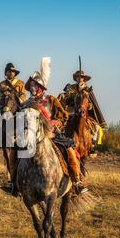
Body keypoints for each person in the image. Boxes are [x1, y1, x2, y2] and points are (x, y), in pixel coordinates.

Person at [24, 57, 88, 195]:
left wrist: (54, 123)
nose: (32, 88)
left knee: (69, 148)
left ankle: (76, 181)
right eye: (31, 85)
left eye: (35, 85)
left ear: (40, 87)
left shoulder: (50, 100)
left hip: (52, 135)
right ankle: (15, 183)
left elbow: (64, 116)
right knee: (16, 153)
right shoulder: (26, 104)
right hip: (30, 136)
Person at [59, 68, 107, 151]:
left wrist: (86, 105)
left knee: (95, 126)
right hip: (72, 110)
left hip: (84, 112)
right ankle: (61, 140)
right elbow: (65, 99)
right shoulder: (71, 88)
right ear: (76, 78)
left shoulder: (87, 90)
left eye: (81, 77)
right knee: (62, 124)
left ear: (84, 79)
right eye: (78, 77)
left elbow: (91, 105)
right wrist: (66, 94)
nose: (79, 79)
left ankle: (92, 144)